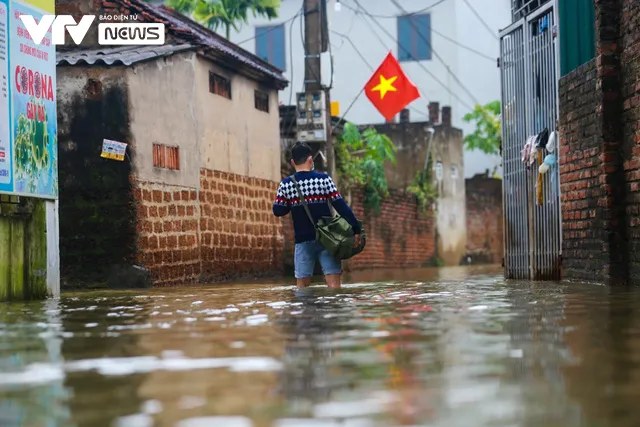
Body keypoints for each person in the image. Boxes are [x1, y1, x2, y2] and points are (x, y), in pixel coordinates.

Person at [273, 142, 361, 289]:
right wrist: (356, 228)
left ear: (293, 162)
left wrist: (293, 200)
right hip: (327, 239)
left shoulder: (286, 184)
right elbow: (341, 206)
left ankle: (305, 312)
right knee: (334, 286)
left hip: (303, 241)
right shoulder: (323, 180)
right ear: (310, 160)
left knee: (302, 287)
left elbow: (278, 211)